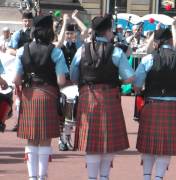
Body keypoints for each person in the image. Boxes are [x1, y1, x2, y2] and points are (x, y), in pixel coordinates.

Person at [70, 14, 134, 180]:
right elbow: (128, 78)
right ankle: (104, 177)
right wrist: (114, 78)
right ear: (107, 31)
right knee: (107, 142)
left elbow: (73, 76)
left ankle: (92, 178)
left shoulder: (81, 50)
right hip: (110, 97)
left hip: (87, 96)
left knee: (91, 143)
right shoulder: (117, 52)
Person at [134, 28, 176, 180]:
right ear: (171, 41)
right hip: (172, 107)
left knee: (148, 146)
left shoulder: (147, 59)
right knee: (165, 148)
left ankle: (146, 177)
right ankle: (159, 177)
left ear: (157, 43)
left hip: (151, 104)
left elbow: (136, 86)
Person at [13, 15, 68, 180]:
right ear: (49, 30)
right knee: (45, 138)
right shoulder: (55, 51)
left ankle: (32, 177)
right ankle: (42, 177)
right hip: (47, 95)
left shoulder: (23, 50)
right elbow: (61, 81)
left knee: (31, 138)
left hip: (29, 95)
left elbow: (16, 79)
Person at [55, 11, 87, 151]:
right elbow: (60, 40)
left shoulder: (79, 44)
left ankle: (67, 138)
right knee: (61, 113)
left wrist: (75, 18)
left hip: (75, 82)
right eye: (67, 33)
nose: (69, 36)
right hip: (62, 81)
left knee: (72, 112)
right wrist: (65, 23)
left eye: (71, 33)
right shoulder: (59, 46)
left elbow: (85, 31)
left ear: (75, 34)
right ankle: (61, 139)